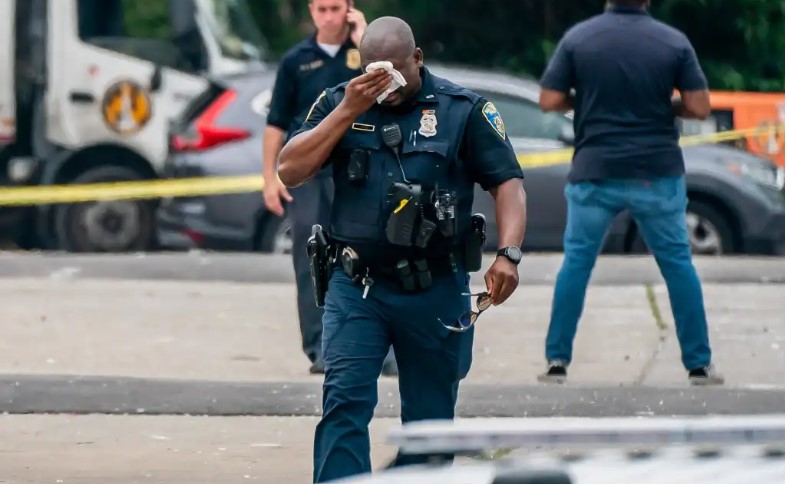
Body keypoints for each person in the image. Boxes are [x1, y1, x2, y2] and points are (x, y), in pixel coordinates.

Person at [277, 16, 528, 483]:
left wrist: (508, 254)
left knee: (430, 420)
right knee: (344, 402)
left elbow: (508, 183)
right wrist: (348, 110)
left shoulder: (462, 110)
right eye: (374, 71)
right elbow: (289, 170)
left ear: (417, 59)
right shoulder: (341, 103)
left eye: (394, 70)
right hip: (357, 286)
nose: (385, 83)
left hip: (435, 287)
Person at [536, 0, 724, 385]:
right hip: (655, 173)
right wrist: (666, 105)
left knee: (577, 263)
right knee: (677, 264)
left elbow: (550, 99)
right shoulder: (672, 41)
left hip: (594, 171)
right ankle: (698, 364)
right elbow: (700, 106)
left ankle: (557, 360)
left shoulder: (579, 38)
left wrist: (585, 99)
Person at [262, 0, 397, 375]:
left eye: (335, 8)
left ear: (349, 10)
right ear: (311, 11)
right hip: (309, 173)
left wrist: (365, 37)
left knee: (369, 252)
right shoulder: (296, 61)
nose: (328, 16)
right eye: (321, 9)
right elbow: (276, 124)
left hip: (357, 169)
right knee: (312, 255)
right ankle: (320, 345)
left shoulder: (363, 52)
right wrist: (268, 178)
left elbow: (392, 95)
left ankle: (380, 345)